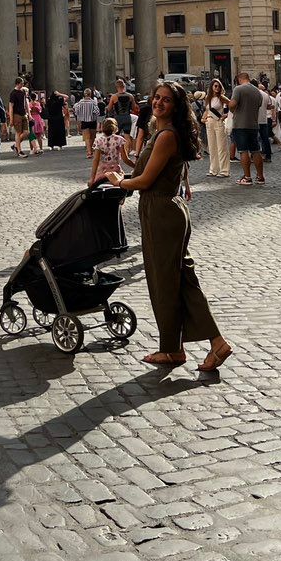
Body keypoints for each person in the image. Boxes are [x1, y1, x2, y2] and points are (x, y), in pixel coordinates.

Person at [107, 81, 232, 372]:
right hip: (164, 209)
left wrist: (120, 182)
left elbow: (145, 181)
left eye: (165, 100)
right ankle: (199, 345)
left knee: (164, 282)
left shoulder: (166, 136)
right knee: (182, 279)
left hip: (161, 210)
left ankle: (174, 349)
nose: (159, 103)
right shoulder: (160, 133)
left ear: (175, 107)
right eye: (156, 98)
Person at [227, 73, 264, 187]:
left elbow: (232, 104)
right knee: (256, 150)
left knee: (243, 151)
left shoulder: (238, 89)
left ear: (239, 79)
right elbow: (258, 105)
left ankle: (247, 177)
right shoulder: (257, 91)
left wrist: (231, 108)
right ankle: (260, 176)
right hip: (253, 124)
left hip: (240, 124)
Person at [89, 117, 130, 186]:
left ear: (102, 127)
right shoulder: (119, 140)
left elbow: (96, 160)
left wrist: (92, 178)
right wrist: (135, 166)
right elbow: (125, 159)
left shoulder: (99, 141)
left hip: (103, 171)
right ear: (115, 127)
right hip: (116, 170)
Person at [203, 78, 229, 177]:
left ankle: (224, 170)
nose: (217, 88)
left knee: (221, 146)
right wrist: (204, 118)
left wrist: (225, 116)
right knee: (212, 147)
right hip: (209, 122)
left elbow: (232, 105)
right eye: (215, 86)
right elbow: (207, 110)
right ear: (212, 87)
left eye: (218, 86)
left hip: (218, 121)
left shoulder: (222, 97)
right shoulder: (207, 98)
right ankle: (213, 169)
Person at [73, 87, 99, 158]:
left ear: (84, 95)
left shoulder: (80, 102)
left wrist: (81, 115)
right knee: (92, 137)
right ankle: (91, 149)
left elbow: (76, 111)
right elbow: (97, 112)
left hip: (84, 121)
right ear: (90, 94)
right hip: (92, 121)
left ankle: (89, 152)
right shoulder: (93, 102)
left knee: (87, 138)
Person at [8, 78, 31, 157]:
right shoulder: (13, 93)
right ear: (18, 84)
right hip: (16, 114)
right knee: (18, 133)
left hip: (23, 113)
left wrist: (29, 114)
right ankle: (19, 150)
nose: (23, 85)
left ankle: (15, 145)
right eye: (22, 83)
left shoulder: (23, 91)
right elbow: (11, 106)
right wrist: (11, 119)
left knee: (26, 132)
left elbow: (26, 103)